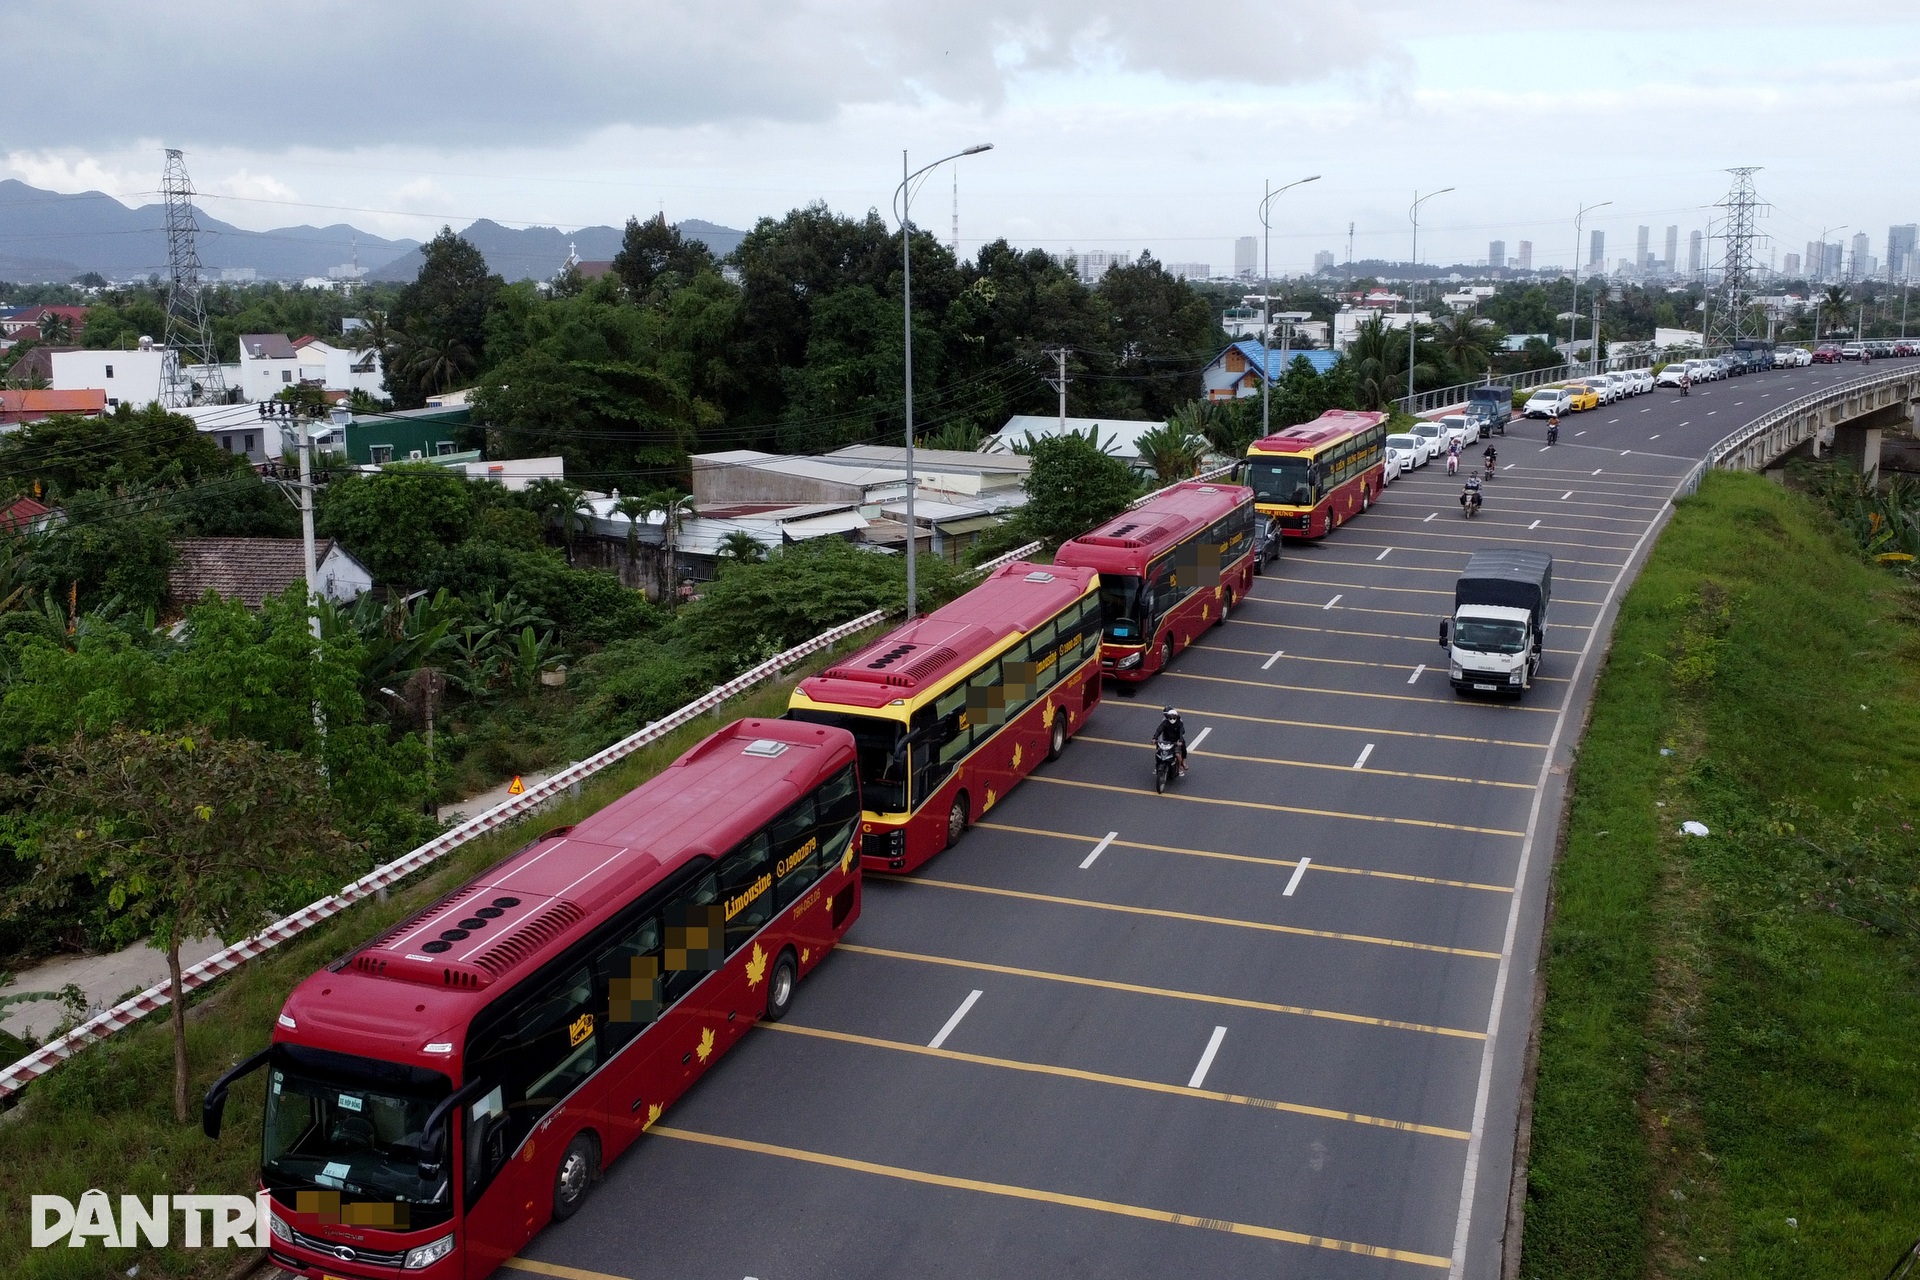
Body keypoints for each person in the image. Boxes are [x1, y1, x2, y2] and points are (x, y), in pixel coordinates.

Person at [1152, 706, 1188, 776]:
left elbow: (1181, 732)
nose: (1172, 719)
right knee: (1159, 752)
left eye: (1173, 717)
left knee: (1178, 754)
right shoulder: (1165, 722)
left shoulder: (1179, 722)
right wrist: (1154, 738)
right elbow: (1159, 730)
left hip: (1176, 741)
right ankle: (1157, 766)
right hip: (1166, 740)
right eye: (1170, 717)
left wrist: (1180, 741)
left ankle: (1180, 766)